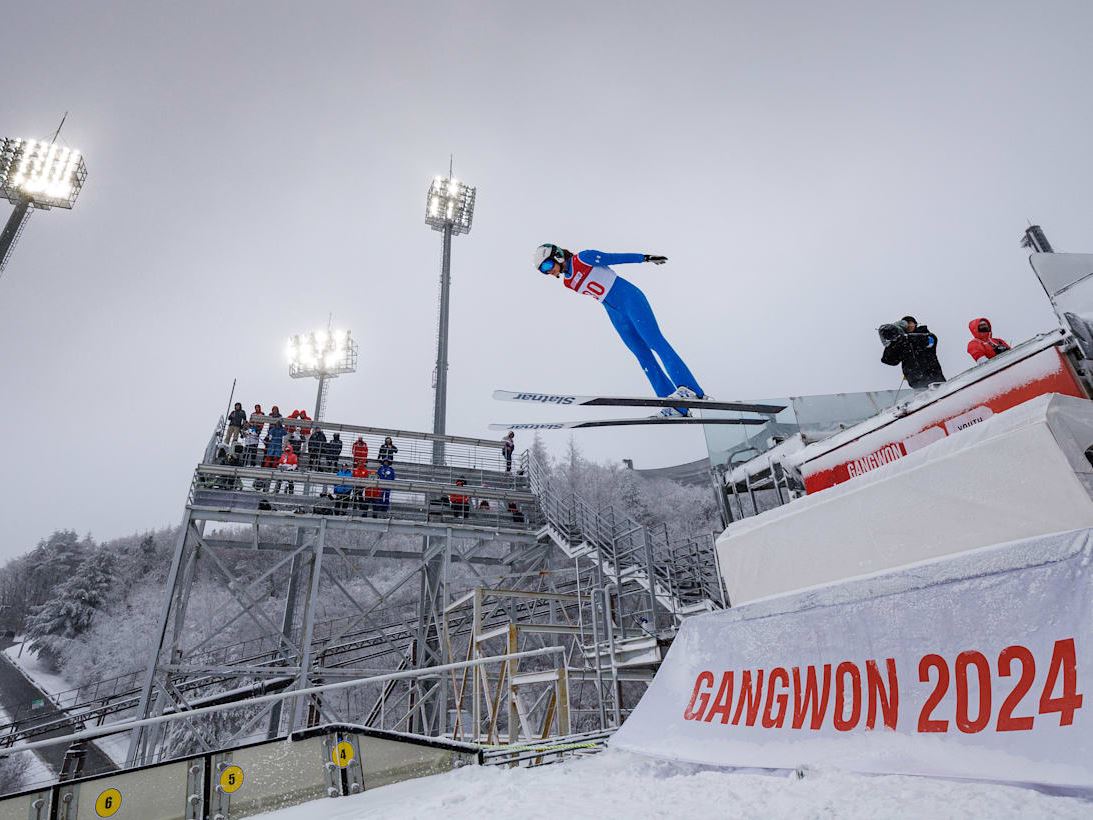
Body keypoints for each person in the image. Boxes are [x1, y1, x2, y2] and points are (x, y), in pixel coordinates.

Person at [534, 244, 705, 416]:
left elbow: (615, 258)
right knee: (642, 356)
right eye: (543, 271)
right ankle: (676, 405)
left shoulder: (584, 258)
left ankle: (690, 389)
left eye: (548, 266)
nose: (548, 272)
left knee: (655, 342)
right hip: (614, 313)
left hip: (629, 299)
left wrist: (644, 258)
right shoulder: (568, 283)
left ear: (558, 255)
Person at [879, 315, 946, 390]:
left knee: (941, 393)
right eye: (906, 324)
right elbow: (889, 360)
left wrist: (905, 337)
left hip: (934, 377)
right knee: (922, 397)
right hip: (916, 382)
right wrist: (891, 343)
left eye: (910, 323)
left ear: (916, 324)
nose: (908, 326)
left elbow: (930, 341)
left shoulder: (926, 334)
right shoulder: (900, 343)